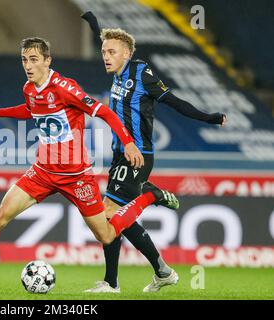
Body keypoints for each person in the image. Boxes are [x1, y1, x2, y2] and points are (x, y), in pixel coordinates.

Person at [0, 37, 179, 291]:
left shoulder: (65, 88)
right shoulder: (29, 89)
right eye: (24, 60)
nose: (28, 65)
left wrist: (128, 142)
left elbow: (105, 112)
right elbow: (32, 109)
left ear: (47, 60)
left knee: (107, 235)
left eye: (33, 59)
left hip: (76, 176)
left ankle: (148, 196)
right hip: (42, 172)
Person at [81, 12, 227, 293]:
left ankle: (113, 282)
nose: (105, 56)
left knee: (110, 214)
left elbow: (174, 101)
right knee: (121, 218)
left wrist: (209, 118)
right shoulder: (118, 68)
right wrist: (93, 22)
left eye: (111, 52)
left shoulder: (141, 74)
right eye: (103, 52)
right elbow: (105, 37)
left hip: (137, 155)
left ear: (126, 53)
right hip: (119, 153)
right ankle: (162, 271)